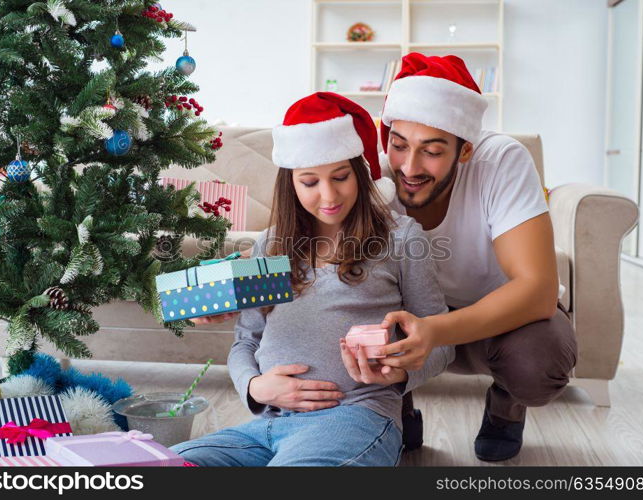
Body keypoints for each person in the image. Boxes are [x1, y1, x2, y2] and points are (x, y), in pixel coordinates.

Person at [169, 92, 453, 466]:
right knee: (163, 465)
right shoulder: (270, 247)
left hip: (354, 416)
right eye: (310, 182)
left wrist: (397, 376)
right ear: (291, 184)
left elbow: (442, 342)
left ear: (360, 172)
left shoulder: (400, 239)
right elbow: (246, 340)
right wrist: (254, 387)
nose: (329, 195)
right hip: (264, 426)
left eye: (340, 177)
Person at [371, 52, 578, 461]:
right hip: (407, 318)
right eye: (399, 145)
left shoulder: (500, 160)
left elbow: (536, 291)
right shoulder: (374, 175)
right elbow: (300, 252)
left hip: (500, 324)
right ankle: (393, 408)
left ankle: (506, 406)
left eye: (431, 150)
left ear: (464, 151)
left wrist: (434, 330)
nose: (409, 167)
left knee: (539, 362)